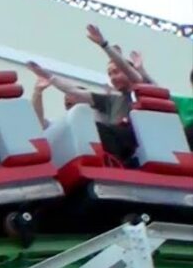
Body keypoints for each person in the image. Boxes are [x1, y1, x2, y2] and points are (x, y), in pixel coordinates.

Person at [27, 24, 149, 164]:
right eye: (110, 74)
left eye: (116, 72)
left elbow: (131, 73)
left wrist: (105, 46)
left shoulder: (141, 89)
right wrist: (49, 77)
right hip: (115, 148)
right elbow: (74, 92)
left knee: (93, 129)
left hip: (134, 146)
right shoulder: (111, 101)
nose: (113, 77)